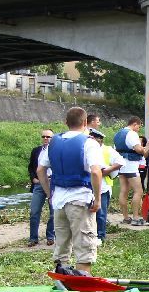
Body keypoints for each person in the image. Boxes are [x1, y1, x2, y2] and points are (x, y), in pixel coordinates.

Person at [37, 107, 103, 274]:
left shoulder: (53, 143)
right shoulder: (89, 143)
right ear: (85, 122)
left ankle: (63, 281)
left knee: (62, 247)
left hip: (58, 201)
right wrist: (98, 199)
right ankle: (82, 283)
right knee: (84, 248)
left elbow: (40, 170)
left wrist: (49, 194)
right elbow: (96, 172)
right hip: (80, 199)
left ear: (66, 122)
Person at [113, 116, 149, 226]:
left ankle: (125, 218)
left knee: (123, 191)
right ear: (135, 124)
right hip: (131, 164)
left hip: (120, 164)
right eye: (139, 127)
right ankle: (136, 218)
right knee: (138, 191)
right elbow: (138, 149)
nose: (138, 129)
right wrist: (146, 148)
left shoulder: (118, 134)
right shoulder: (132, 134)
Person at [89, 127, 123, 241]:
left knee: (101, 214)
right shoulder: (86, 149)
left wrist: (107, 171)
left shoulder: (107, 150)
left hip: (103, 186)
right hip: (87, 186)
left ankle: (100, 237)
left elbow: (120, 162)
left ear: (100, 140)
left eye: (95, 139)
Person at [27, 129, 56, 247]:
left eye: (48, 137)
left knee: (53, 212)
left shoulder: (56, 150)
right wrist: (33, 178)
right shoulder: (36, 151)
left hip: (52, 183)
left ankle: (50, 236)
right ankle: (33, 238)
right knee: (34, 211)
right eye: (43, 136)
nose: (45, 138)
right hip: (39, 184)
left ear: (53, 138)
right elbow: (31, 167)